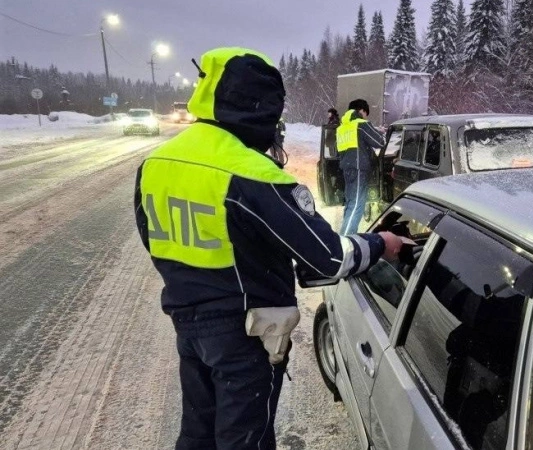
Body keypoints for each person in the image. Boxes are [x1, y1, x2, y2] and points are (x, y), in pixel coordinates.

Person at [133, 47, 402, 450]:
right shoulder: (253, 174)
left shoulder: (157, 162)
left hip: (187, 323)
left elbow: (154, 240)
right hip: (245, 333)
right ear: (260, 110)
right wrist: (383, 243)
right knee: (245, 440)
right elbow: (327, 257)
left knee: (198, 433)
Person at [336, 99, 386, 235]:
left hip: (347, 169)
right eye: (366, 113)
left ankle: (345, 234)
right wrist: (381, 133)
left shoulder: (342, 128)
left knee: (350, 203)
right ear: (362, 110)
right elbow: (379, 142)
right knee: (357, 204)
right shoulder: (360, 124)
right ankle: (346, 239)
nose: (366, 117)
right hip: (359, 170)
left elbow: (339, 151)